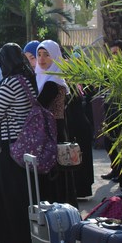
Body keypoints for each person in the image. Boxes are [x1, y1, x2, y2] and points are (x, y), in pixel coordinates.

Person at [0, 42, 37, 243]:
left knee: (10, 197)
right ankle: (28, 242)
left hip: (9, 146)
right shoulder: (29, 80)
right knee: (23, 195)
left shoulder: (9, 83)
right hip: (25, 145)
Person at [35, 40, 77, 206]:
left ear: (55, 57)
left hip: (54, 131)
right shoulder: (42, 78)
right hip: (48, 130)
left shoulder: (53, 81)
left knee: (56, 174)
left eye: (46, 55)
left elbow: (38, 105)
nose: (42, 59)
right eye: (39, 54)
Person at [101, 40, 122, 198]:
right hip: (111, 114)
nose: (112, 57)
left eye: (115, 53)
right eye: (111, 54)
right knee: (109, 144)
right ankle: (118, 173)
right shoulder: (112, 68)